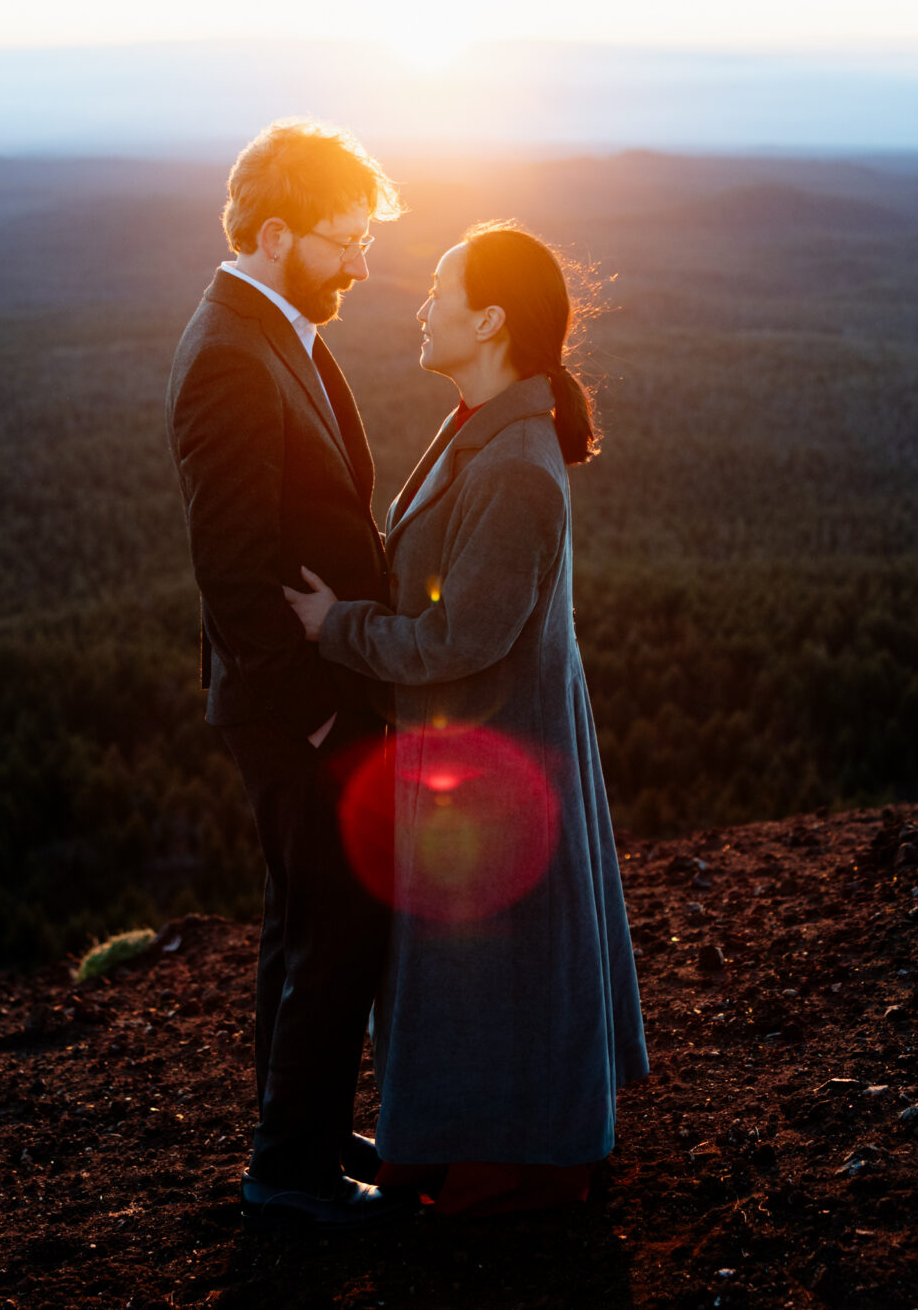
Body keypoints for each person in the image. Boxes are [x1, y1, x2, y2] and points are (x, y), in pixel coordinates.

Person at [283, 222, 650, 1218]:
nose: (420, 303)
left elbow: (458, 641)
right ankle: (462, 1142)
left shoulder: (514, 464)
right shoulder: (481, 426)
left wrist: (337, 628)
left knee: (498, 959)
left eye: (440, 290)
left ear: (487, 319)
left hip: (495, 753)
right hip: (481, 749)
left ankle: (518, 1157)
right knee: (479, 960)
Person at [166, 118, 407, 1224]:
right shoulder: (229, 349)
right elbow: (229, 561)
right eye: (342, 240)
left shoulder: (274, 329)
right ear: (273, 232)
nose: (360, 263)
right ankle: (291, 1170)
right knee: (346, 921)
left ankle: (294, 1131)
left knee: (301, 923)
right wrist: (311, 712)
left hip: (299, 697)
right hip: (292, 704)